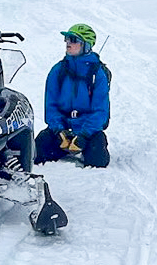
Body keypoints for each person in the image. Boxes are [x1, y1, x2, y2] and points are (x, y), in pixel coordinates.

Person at [34, 24, 111, 168]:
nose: (68, 43)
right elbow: (50, 105)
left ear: (86, 45)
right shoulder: (58, 70)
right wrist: (58, 130)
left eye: (74, 40)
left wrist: (84, 135)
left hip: (87, 130)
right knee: (36, 152)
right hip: (62, 127)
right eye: (67, 39)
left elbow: (101, 110)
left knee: (98, 161)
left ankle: (84, 148)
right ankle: (62, 148)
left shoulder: (97, 74)